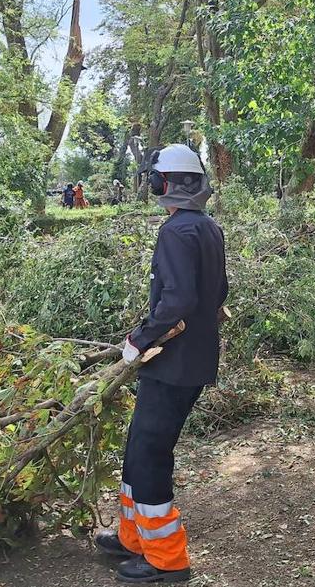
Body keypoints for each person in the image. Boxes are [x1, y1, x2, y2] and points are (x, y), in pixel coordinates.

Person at [94, 143, 227, 584]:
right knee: (137, 449)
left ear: (163, 184)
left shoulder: (175, 232)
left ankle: (167, 560)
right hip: (188, 361)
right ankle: (134, 539)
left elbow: (178, 301)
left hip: (172, 364)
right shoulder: (206, 228)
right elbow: (217, 293)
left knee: (149, 454)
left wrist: (138, 339)